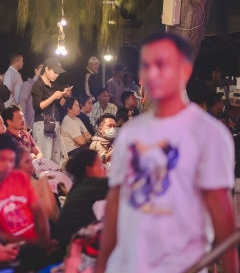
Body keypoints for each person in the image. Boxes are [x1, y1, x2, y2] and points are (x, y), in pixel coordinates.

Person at [96, 32, 238, 273]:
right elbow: (115, 203)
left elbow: (221, 211)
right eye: (146, 65)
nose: (152, 73)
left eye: (162, 65)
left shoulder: (209, 133)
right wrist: (102, 266)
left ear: (185, 71)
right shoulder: (130, 132)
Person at [0, 134, 57, 271]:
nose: (7, 166)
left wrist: (45, 238)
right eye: (2, 159)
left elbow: (38, 211)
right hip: (13, 252)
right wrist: (33, 243)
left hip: (38, 243)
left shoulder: (19, 177)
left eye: (11, 160)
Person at [57, 148, 108, 246]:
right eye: (101, 164)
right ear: (89, 169)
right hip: (70, 246)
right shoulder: (92, 184)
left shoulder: (79, 185)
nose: (104, 168)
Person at [32, 57, 71, 165]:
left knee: (55, 159)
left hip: (55, 123)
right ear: (46, 69)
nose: (56, 75)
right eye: (54, 72)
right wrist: (53, 96)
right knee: (44, 160)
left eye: (58, 73)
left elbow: (59, 105)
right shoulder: (38, 85)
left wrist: (65, 96)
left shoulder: (54, 85)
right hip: (42, 124)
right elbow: (38, 106)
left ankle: (54, 176)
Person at [15, 147, 59, 222]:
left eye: (31, 161)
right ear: (15, 165)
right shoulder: (13, 190)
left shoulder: (41, 184)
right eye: (27, 162)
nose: (31, 166)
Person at [18, 62, 43, 130]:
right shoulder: (28, 85)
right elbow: (21, 105)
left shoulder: (45, 87)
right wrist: (24, 123)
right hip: (30, 126)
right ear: (36, 70)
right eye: (41, 68)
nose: (43, 71)